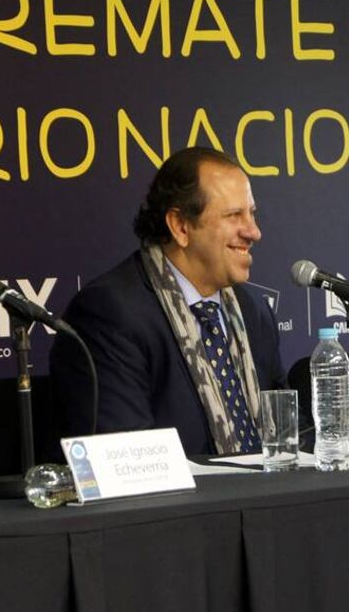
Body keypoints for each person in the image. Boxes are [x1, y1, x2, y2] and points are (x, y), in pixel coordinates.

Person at [49, 147, 285, 454]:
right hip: (182, 501)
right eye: (233, 215)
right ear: (181, 226)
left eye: (251, 213)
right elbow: (122, 454)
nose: (254, 232)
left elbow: (289, 428)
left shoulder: (253, 309)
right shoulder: (109, 313)